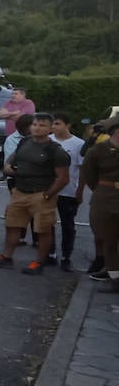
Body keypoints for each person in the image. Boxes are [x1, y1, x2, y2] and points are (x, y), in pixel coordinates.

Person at [0, 113, 71, 274]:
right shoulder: (25, 142)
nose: (37, 128)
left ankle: (39, 263)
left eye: (42, 125)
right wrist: (8, 167)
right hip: (19, 191)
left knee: (43, 230)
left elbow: (63, 178)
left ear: (50, 128)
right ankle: (6, 257)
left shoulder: (55, 150)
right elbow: (11, 160)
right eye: (35, 124)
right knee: (12, 225)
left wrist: (47, 195)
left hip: (41, 194)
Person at [82, 118, 119, 293]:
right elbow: (89, 176)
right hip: (105, 198)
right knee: (108, 238)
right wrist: (102, 191)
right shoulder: (97, 151)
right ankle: (115, 278)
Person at [50, 113, 86, 272]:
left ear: (67, 125)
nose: (54, 127)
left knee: (68, 225)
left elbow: (83, 169)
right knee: (47, 223)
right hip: (49, 190)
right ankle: (50, 253)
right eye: (53, 124)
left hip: (68, 190)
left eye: (57, 123)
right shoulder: (48, 140)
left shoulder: (78, 144)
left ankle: (66, 256)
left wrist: (80, 190)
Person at [0, 87, 36, 181]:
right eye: (12, 93)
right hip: (9, 134)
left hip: (24, 134)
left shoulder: (28, 103)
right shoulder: (8, 103)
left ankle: (21, 172)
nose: (13, 95)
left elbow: (24, 117)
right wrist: (15, 113)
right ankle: (6, 172)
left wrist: (8, 114)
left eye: (16, 94)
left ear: (23, 95)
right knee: (8, 154)